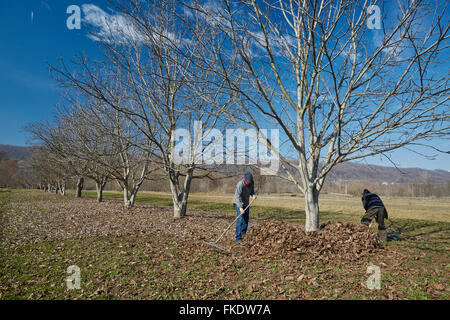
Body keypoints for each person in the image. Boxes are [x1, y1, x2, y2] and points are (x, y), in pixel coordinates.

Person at [233, 172, 257, 243]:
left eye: (249, 182)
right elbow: (237, 197)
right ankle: (238, 238)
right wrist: (240, 208)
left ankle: (243, 234)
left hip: (246, 203)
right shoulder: (240, 184)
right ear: (244, 180)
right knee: (240, 219)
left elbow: (251, 191)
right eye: (247, 182)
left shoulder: (251, 183)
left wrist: (253, 195)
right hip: (238, 203)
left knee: (246, 219)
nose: (248, 183)